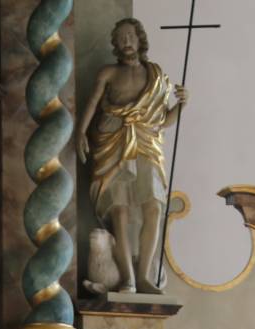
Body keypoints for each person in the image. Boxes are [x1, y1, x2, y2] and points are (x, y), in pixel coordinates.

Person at [76, 17, 189, 294]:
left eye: (131, 36)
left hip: (147, 143)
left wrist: (182, 105)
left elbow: (162, 121)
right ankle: (127, 278)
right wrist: (80, 132)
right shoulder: (109, 72)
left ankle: (143, 277)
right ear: (115, 43)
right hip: (113, 140)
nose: (126, 41)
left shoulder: (156, 75)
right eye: (121, 37)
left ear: (140, 39)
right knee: (120, 211)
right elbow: (92, 104)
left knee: (153, 207)